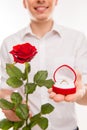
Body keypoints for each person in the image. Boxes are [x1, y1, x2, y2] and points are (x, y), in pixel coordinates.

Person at [0, 0, 87, 130]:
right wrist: (10, 104)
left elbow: (84, 93)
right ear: (24, 2)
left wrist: (81, 93)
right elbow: (4, 89)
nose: (41, 0)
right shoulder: (9, 43)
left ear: (56, 0)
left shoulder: (77, 39)